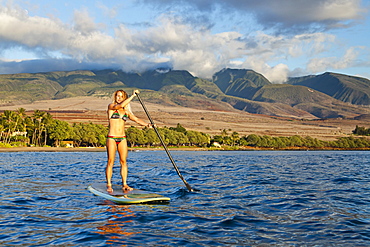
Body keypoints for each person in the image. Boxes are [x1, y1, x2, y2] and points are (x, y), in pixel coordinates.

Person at [106, 89, 151, 193]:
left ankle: (124, 184)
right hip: (112, 138)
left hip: (122, 138)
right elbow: (119, 106)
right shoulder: (112, 107)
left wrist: (148, 125)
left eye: (121, 96)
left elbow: (136, 119)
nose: (119, 98)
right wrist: (133, 96)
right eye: (117, 96)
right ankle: (109, 184)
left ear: (124, 98)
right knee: (110, 161)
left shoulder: (126, 111)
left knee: (123, 162)